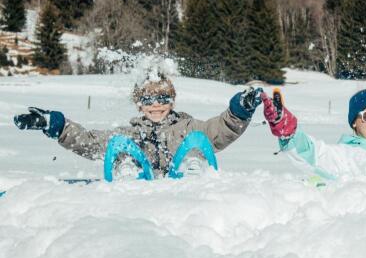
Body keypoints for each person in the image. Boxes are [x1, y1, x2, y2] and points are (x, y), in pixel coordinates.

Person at [13, 73, 263, 177]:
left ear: (172, 101)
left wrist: (240, 110)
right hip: (138, 193)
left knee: (195, 142)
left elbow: (219, 130)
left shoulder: (187, 125)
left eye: (163, 99)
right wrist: (55, 125)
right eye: (149, 100)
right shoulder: (131, 132)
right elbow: (89, 142)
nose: (156, 105)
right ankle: (129, 174)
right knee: (120, 146)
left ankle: (191, 172)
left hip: (185, 190)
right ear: (139, 105)